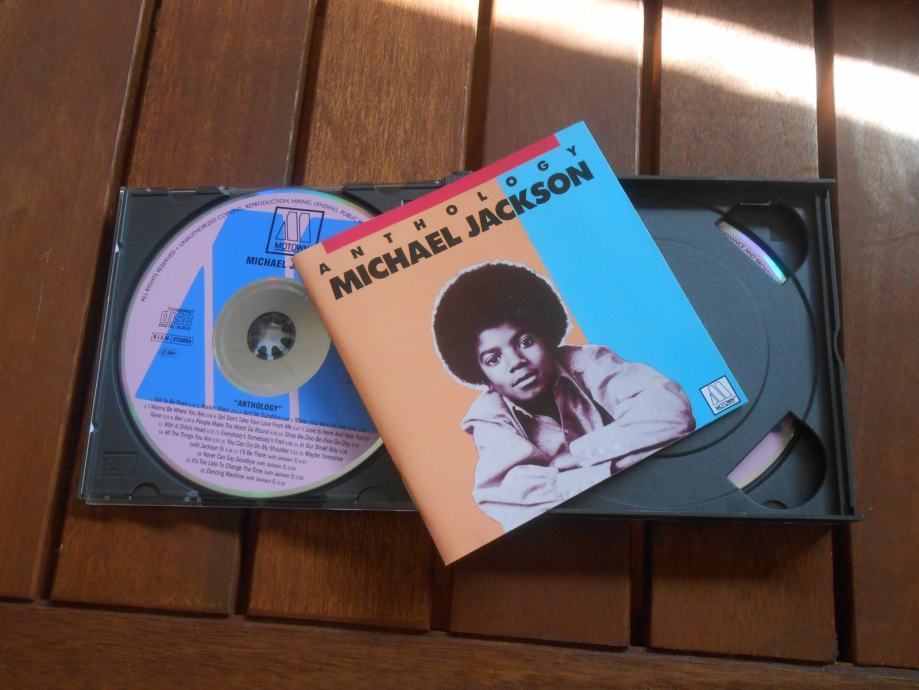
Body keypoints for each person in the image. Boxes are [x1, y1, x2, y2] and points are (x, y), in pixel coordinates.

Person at [432, 261, 695, 531]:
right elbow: (507, 496)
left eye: (525, 342)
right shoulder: (488, 417)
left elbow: (670, 412)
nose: (516, 362)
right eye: (493, 359)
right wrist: (617, 466)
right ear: (481, 374)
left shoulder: (589, 362)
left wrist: (575, 456)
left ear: (545, 334)